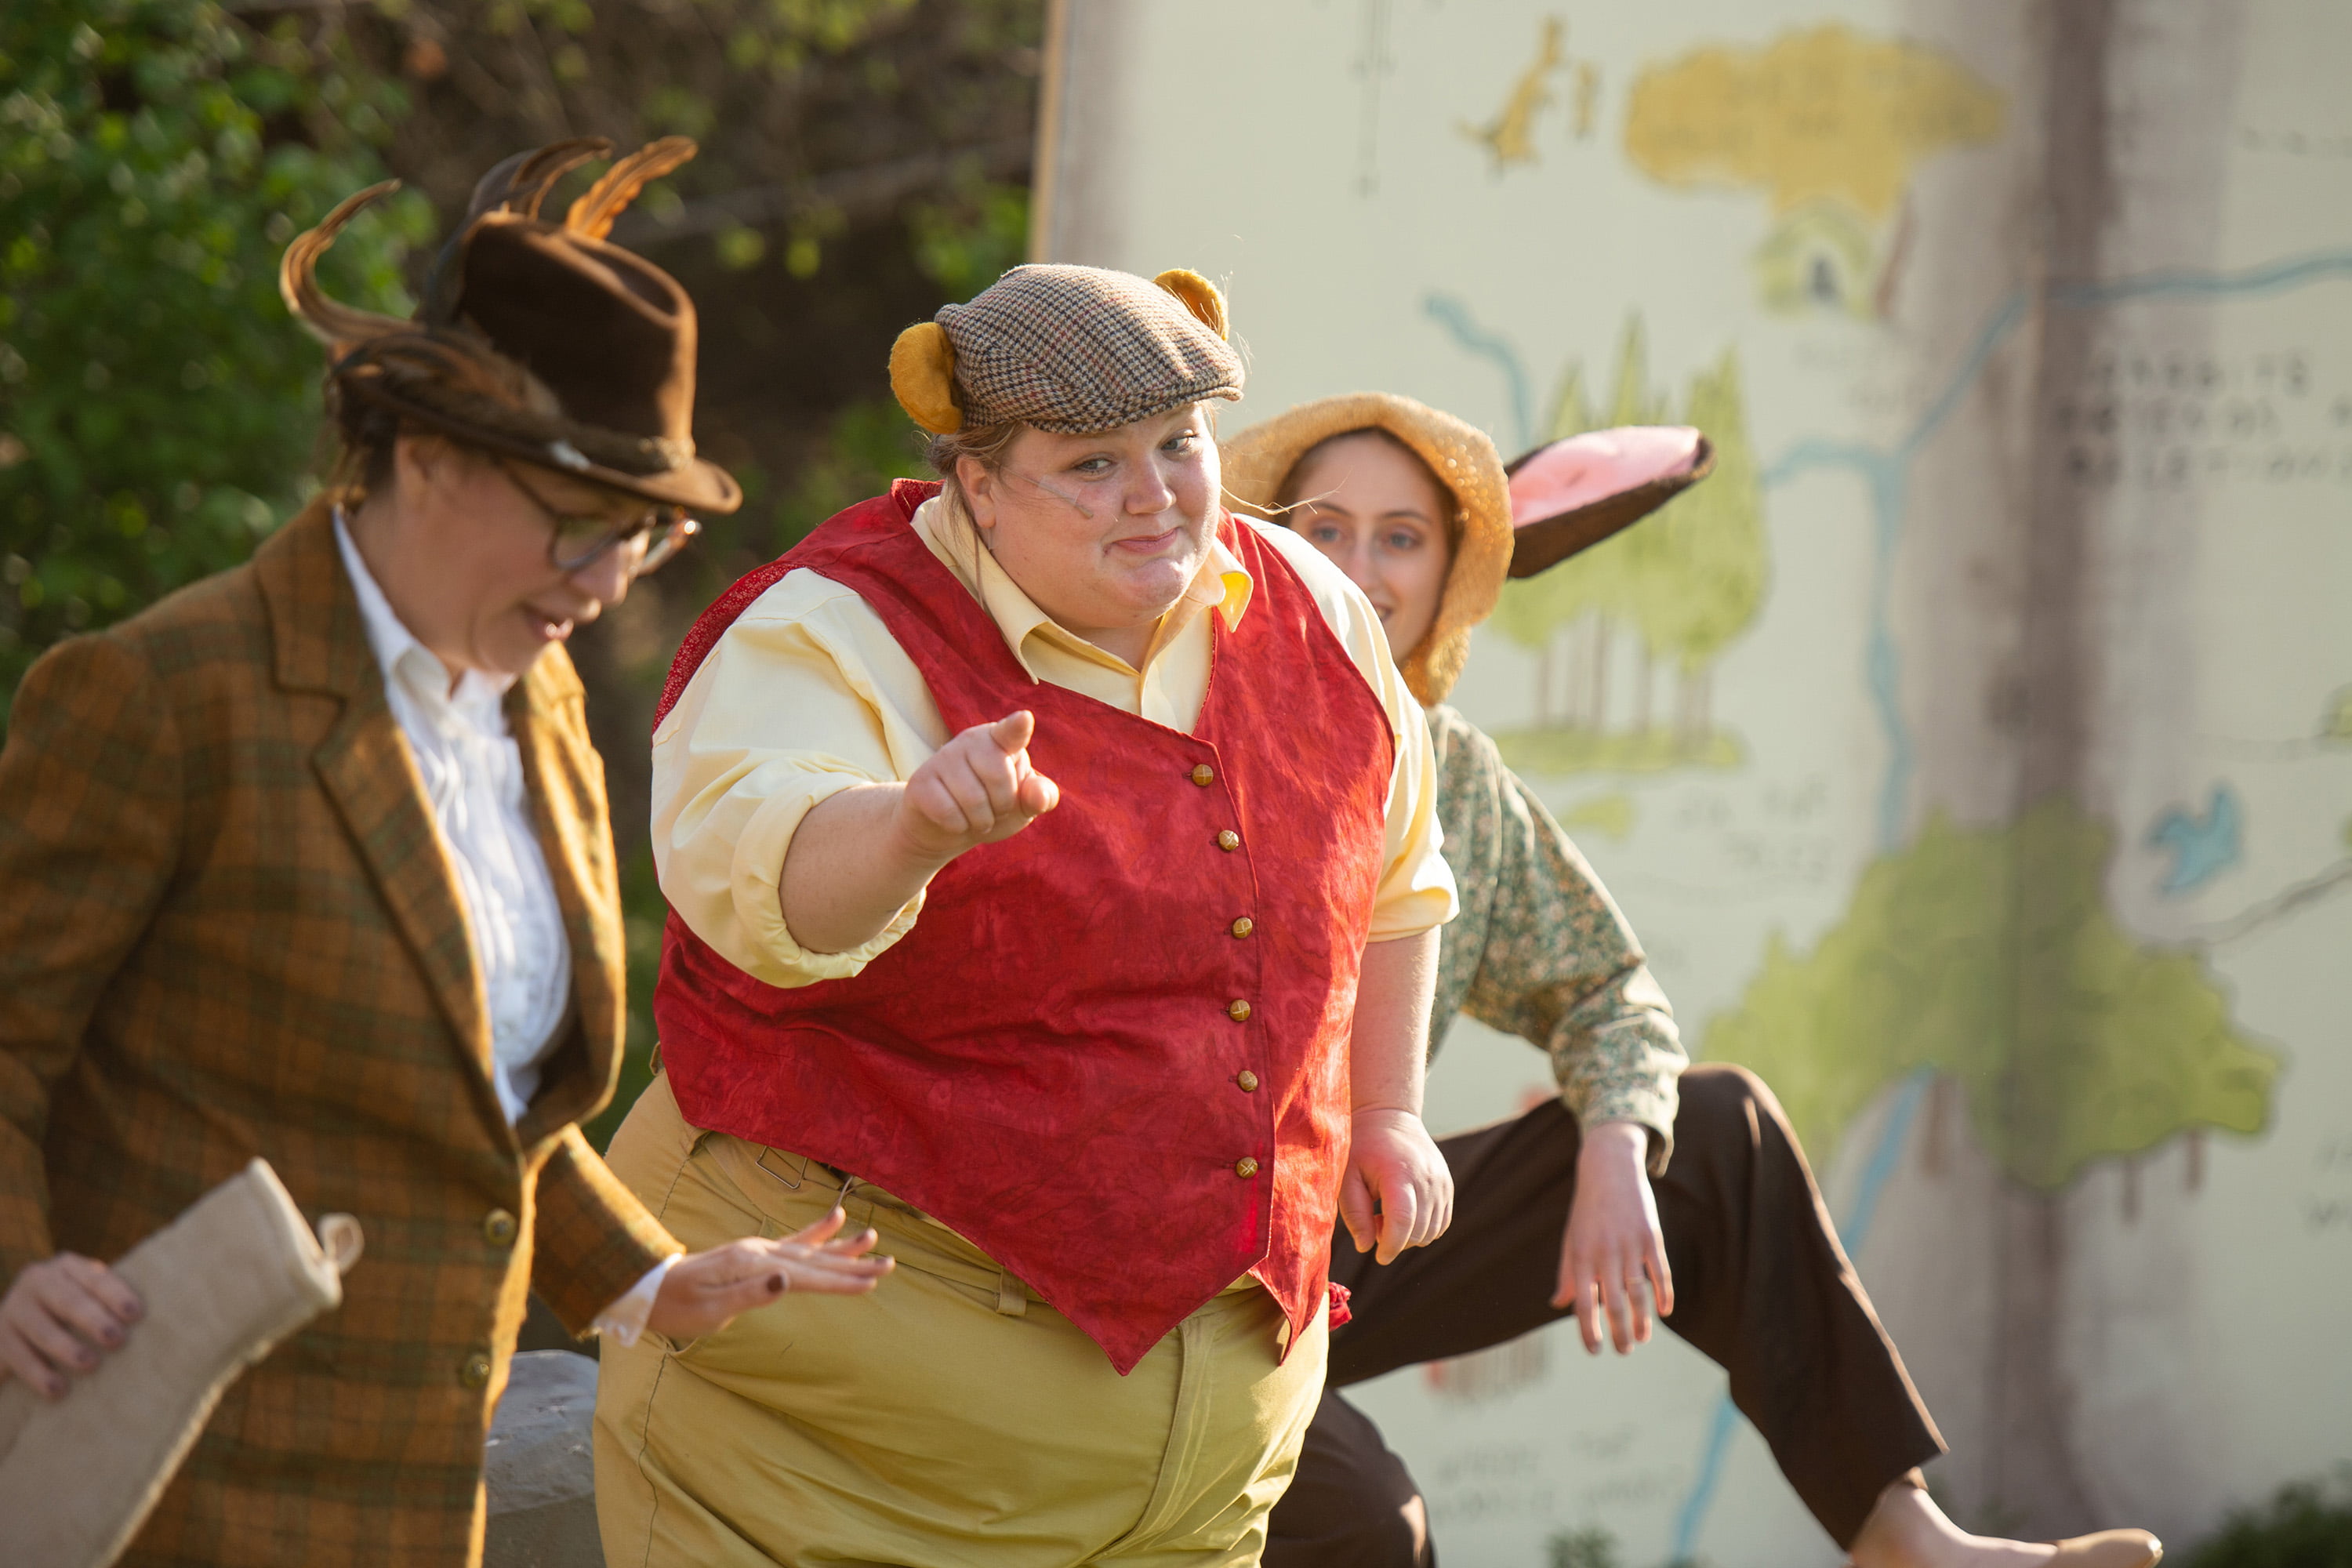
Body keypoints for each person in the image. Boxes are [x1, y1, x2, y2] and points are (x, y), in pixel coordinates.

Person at [0, 140, 889, 1566]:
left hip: (418, 1505)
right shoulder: (159, 695)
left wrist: (655, 1282)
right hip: (163, 1490)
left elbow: (481, 1114)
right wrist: (14, 1269)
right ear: (427, 458)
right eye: (581, 525)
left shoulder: (536, 706)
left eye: (646, 536)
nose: (607, 585)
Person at [593, 266, 1460, 1567]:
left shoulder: (1312, 605)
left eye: (1178, 444)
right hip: (827, 1477)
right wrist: (906, 829)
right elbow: (761, 895)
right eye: (1092, 465)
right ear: (975, 483)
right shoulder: (834, 625)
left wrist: (1384, 1110)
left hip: (1202, 1491)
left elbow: (1395, 877)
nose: (1156, 494)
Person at [1221, 393, 2165, 1568]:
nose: (1361, 566)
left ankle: (1907, 1540)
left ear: (1452, 577)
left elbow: (1609, 990)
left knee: (1715, 1132)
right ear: (1262, 543)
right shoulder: (1185, 723)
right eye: (1326, 526)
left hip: (1352, 1226)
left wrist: (1620, 1145)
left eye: (1403, 535)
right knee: (1373, 1528)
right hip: (1185, 1253)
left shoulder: (1454, 778)